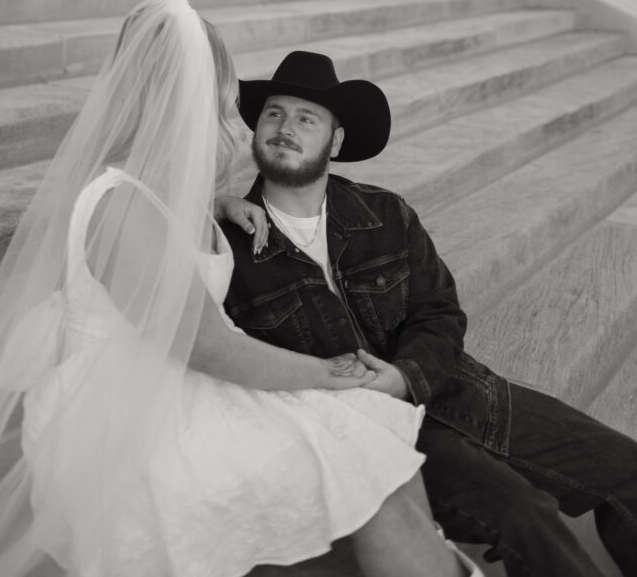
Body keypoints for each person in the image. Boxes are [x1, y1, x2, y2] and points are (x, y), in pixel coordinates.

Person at [0, 0, 481, 577]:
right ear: (184, 98)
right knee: (371, 464)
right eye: (224, 98)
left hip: (175, 385)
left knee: (379, 454)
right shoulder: (126, 204)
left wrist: (215, 205)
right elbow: (206, 346)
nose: (231, 115)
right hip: (137, 413)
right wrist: (329, 374)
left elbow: (150, 239)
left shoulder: (154, 196)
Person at [221, 49, 637, 577]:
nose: (285, 128)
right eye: (274, 113)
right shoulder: (229, 248)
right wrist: (214, 203)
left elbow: (440, 314)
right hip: (379, 435)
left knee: (625, 467)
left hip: (459, 390)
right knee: (523, 514)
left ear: (336, 141)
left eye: (307, 118)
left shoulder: (384, 213)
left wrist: (403, 376)